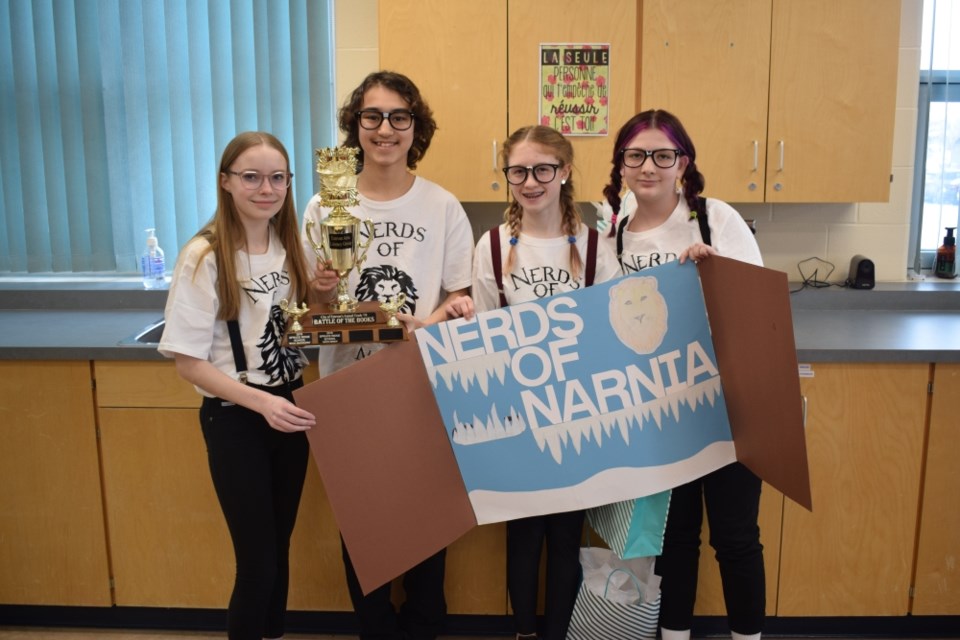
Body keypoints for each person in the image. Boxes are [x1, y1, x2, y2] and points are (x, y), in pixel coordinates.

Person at [302, 70, 474, 640]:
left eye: (399, 117)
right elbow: (306, 308)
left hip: (421, 387)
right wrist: (322, 291)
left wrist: (434, 319)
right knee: (365, 526)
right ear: (355, 127)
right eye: (372, 116)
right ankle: (375, 629)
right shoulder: (324, 206)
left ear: (415, 129)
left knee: (428, 521)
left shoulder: (442, 206)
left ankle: (425, 627)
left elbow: (460, 296)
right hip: (346, 389)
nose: (385, 129)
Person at [447, 125, 620, 640]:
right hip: (515, 415)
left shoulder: (594, 247)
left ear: (564, 173)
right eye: (518, 171)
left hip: (577, 411)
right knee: (522, 534)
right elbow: (480, 327)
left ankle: (557, 635)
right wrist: (459, 316)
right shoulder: (494, 244)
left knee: (566, 537)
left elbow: (608, 331)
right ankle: (524, 632)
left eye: (542, 169)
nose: (530, 181)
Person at [602, 109, 764, 640]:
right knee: (676, 538)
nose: (648, 167)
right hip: (659, 411)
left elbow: (756, 307)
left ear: (682, 163)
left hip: (729, 407)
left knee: (736, 537)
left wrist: (715, 269)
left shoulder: (716, 219)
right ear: (622, 165)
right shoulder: (613, 233)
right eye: (636, 155)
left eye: (662, 155)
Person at [158, 131, 317, 640]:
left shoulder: (289, 245)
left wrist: (322, 301)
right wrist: (261, 403)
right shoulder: (204, 256)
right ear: (226, 182)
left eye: (277, 178)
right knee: (256, 565)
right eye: (251, 176)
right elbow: (188, 362)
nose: (265, 188)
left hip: (289, 407)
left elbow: (296, 328)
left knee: (279, 551)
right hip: (237, 417)